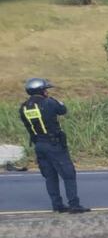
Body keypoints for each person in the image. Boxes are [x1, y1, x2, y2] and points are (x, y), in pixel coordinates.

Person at [18, 78, 88, 214]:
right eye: (45, 89)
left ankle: (57, 205)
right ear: (41, 91)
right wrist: (52, 99)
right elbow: (62, 110)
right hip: (53, 144)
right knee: (68, 174)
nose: (47, 91)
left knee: (50, 177)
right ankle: (74, 204)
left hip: (39, 145)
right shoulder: (48, 103)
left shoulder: (24, 107)